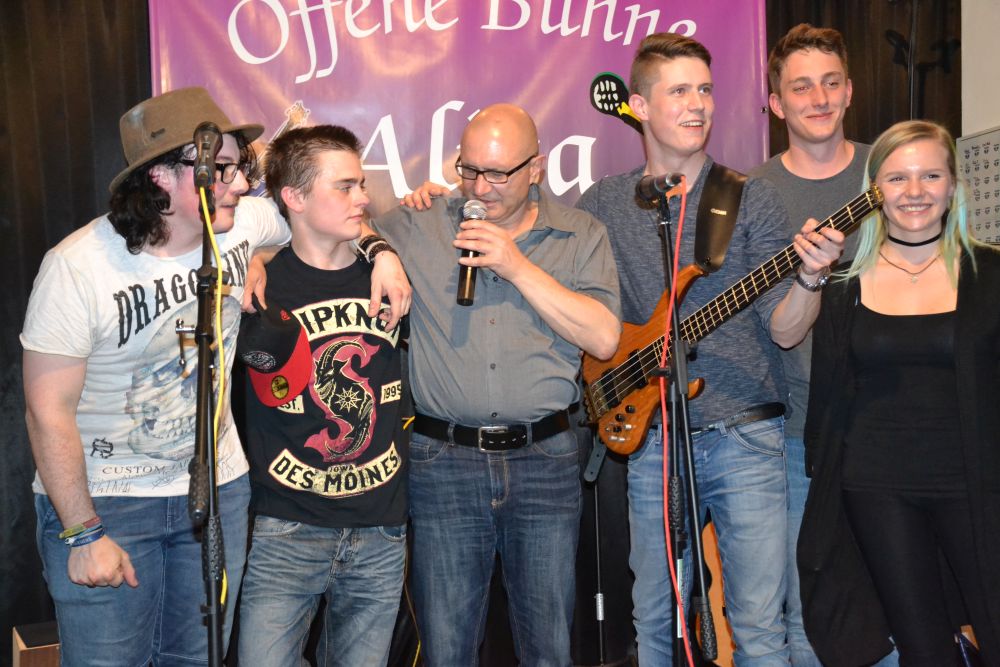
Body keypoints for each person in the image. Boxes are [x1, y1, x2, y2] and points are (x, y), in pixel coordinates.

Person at [20, 87, 409, 664]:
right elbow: (45, 411)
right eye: (222, 169)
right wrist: (83, 530)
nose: (242, 184)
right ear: (160, 176)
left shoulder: (240, 223)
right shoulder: (78, 267)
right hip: (110, 500)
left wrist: (381, 251)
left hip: (216, 492)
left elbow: (328, 211)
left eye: (241, 167)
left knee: (197, 658)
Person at [575, 33, 844, 665]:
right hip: (654, 438)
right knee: (654, 619)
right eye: (679, 91)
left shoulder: (748, 195)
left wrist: (810, 278)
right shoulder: (603, 203)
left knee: (759, 626)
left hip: (747, 434)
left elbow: (786, 330)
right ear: (640, 106)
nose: (698, 104)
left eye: (705, 90)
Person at [372, 103, 621, 665]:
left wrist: (516, 266)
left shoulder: (580, 234)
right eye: (470, 170)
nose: (480, 188)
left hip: (545, 460)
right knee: (446, 647)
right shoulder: (422, 222)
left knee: (548, 646)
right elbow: (333, 232)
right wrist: (375, 250)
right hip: (444, 463)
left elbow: (604, 338)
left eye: (498, 174)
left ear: (537, 168)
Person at [800, 119, 1000, 666]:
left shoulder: (991, 273)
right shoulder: (843, 285)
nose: (915, 191)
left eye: (930, 175)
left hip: (977, 484)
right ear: (874, 192)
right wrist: (810, 275)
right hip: (876, 487)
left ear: (953, 185)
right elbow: (813, 371)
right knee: (923, 648)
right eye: (897, 178)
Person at [235, 124, 408, 666]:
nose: (363, 198)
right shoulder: (258, 286)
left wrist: (381, 249)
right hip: (287, 528)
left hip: (380, 530)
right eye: (345, 186)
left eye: (362, 185)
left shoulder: (390, 276)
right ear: (294, 197)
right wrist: (257, 256)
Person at [748, 24, 887, 667]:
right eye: (801, 87)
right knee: (812, 610)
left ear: (851, 90)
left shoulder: (891, 175)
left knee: (901, 597)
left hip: (892, 427)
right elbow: (777, 330)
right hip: (797, 437)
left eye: (831, 82)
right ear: (776, 103)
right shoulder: (754, 195)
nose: (820, 98)